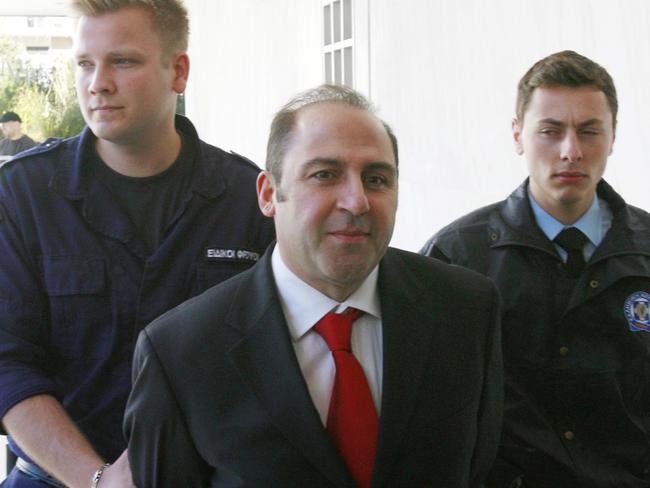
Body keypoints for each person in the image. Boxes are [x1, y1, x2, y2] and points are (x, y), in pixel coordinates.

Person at [124, 84, 503, 487]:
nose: (356, 202)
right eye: (325, 175)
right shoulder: (181, 353)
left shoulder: (466, 311)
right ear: (269, 194)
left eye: (376, 179)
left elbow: (479, 470)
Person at [0, 0, 275, 487]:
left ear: (179, 71)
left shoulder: (245, 197)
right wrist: (98, 480)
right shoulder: (23, 195)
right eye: (85, 63)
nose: (97, 83)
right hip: (55, 477)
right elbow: (8, 361)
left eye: (122, 61)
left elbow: (277, 359)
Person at [421, 50, 650, 488]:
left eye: (589, 131)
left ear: (613, 135)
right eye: (550, 131)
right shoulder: (457, 259)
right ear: (517, 135)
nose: (571, 151)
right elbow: (431, 411)